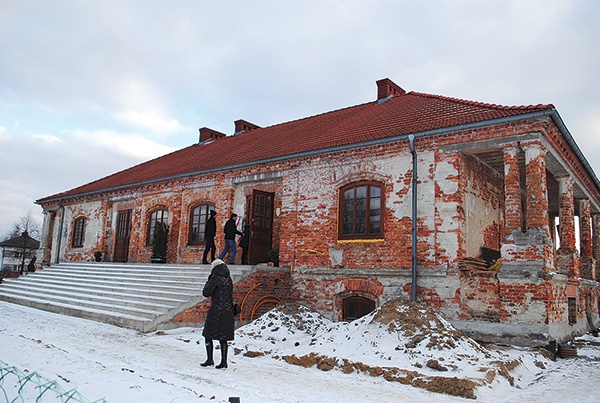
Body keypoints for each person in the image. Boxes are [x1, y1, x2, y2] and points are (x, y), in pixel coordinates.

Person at [201, 259, 235, 369]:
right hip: (228, 310)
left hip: (216, 309)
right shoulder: (228, 278)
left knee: (208, 334)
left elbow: (206, 292)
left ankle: (210, 359)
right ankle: (224, 361)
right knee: (223, 337)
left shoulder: (215, 278)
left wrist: (209, 280)